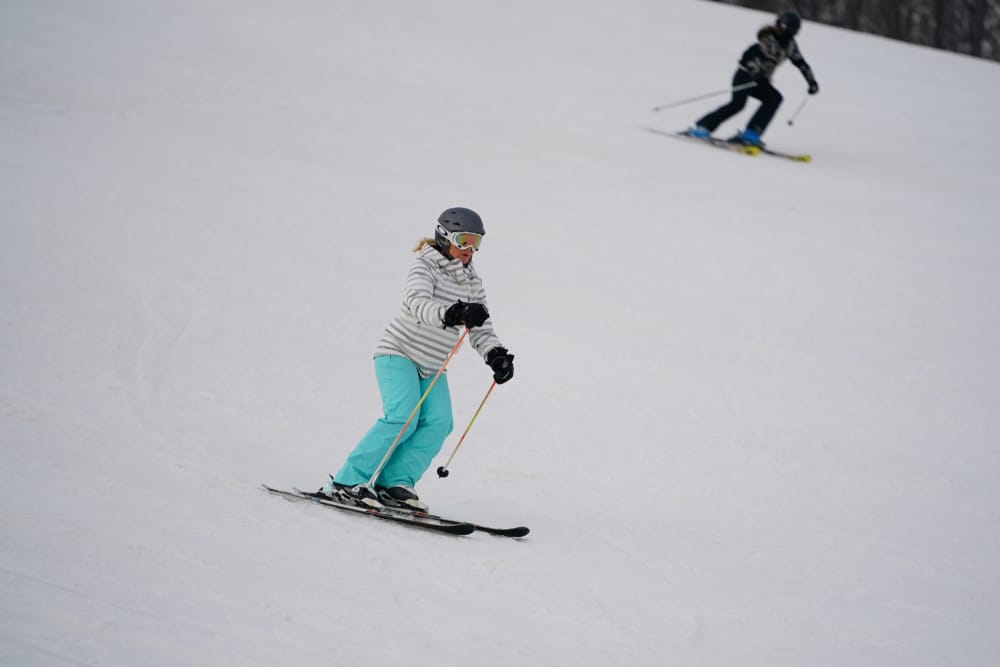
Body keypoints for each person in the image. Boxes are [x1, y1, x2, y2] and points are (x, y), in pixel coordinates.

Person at [318, 206, 515, 512]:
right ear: (445, 236)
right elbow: (417, 303)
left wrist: (495, 355)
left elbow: (481, 328)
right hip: (399, 352)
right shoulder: (425, 266)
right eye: (464, 240)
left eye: (476, 243)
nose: (469, 250)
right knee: (402, 417)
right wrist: (453, 312)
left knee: (439, 422)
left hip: (432, 365)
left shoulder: (472, 281)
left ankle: (394, 482)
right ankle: (346, 483)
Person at [686, 10, 819, 146]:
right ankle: (702, 127)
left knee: (774, 98)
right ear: (779, 25)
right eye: (787, 27)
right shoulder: (768, 39)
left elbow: (801, 63)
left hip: (761, 81)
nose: (789, 31)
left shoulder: (790, 45)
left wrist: (811, 81)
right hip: (745, 76)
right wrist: (755, 73)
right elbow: (749, 56)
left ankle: (751, 133)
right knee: (738, 104)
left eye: (793, 29)